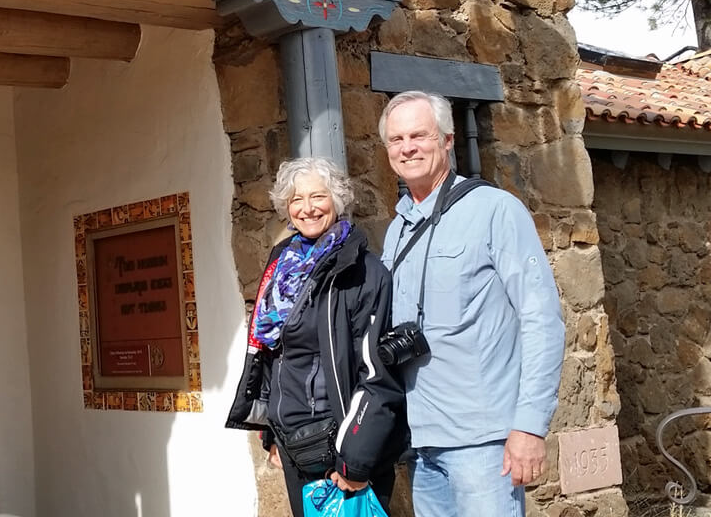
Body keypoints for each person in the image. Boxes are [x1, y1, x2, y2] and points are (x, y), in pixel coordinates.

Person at [377, 91, 565, 517]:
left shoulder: (495, 210)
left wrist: (529, 426)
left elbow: (542, 321)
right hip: (421, 441)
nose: (407, 148)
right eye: (396, 139)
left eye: (419, 135)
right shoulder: (397, 230)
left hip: (484, 443)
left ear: (447, 140)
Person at [227, 156, 405, 516]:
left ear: (336, 200)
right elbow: (270, 354)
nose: (307, 208)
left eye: (318, 196)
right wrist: (272, 436)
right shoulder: (282, 265)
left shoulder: (361, 271)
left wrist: (354, 461)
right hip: (295, 446)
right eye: (296, 199)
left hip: (339, 450)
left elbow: (377, 373)